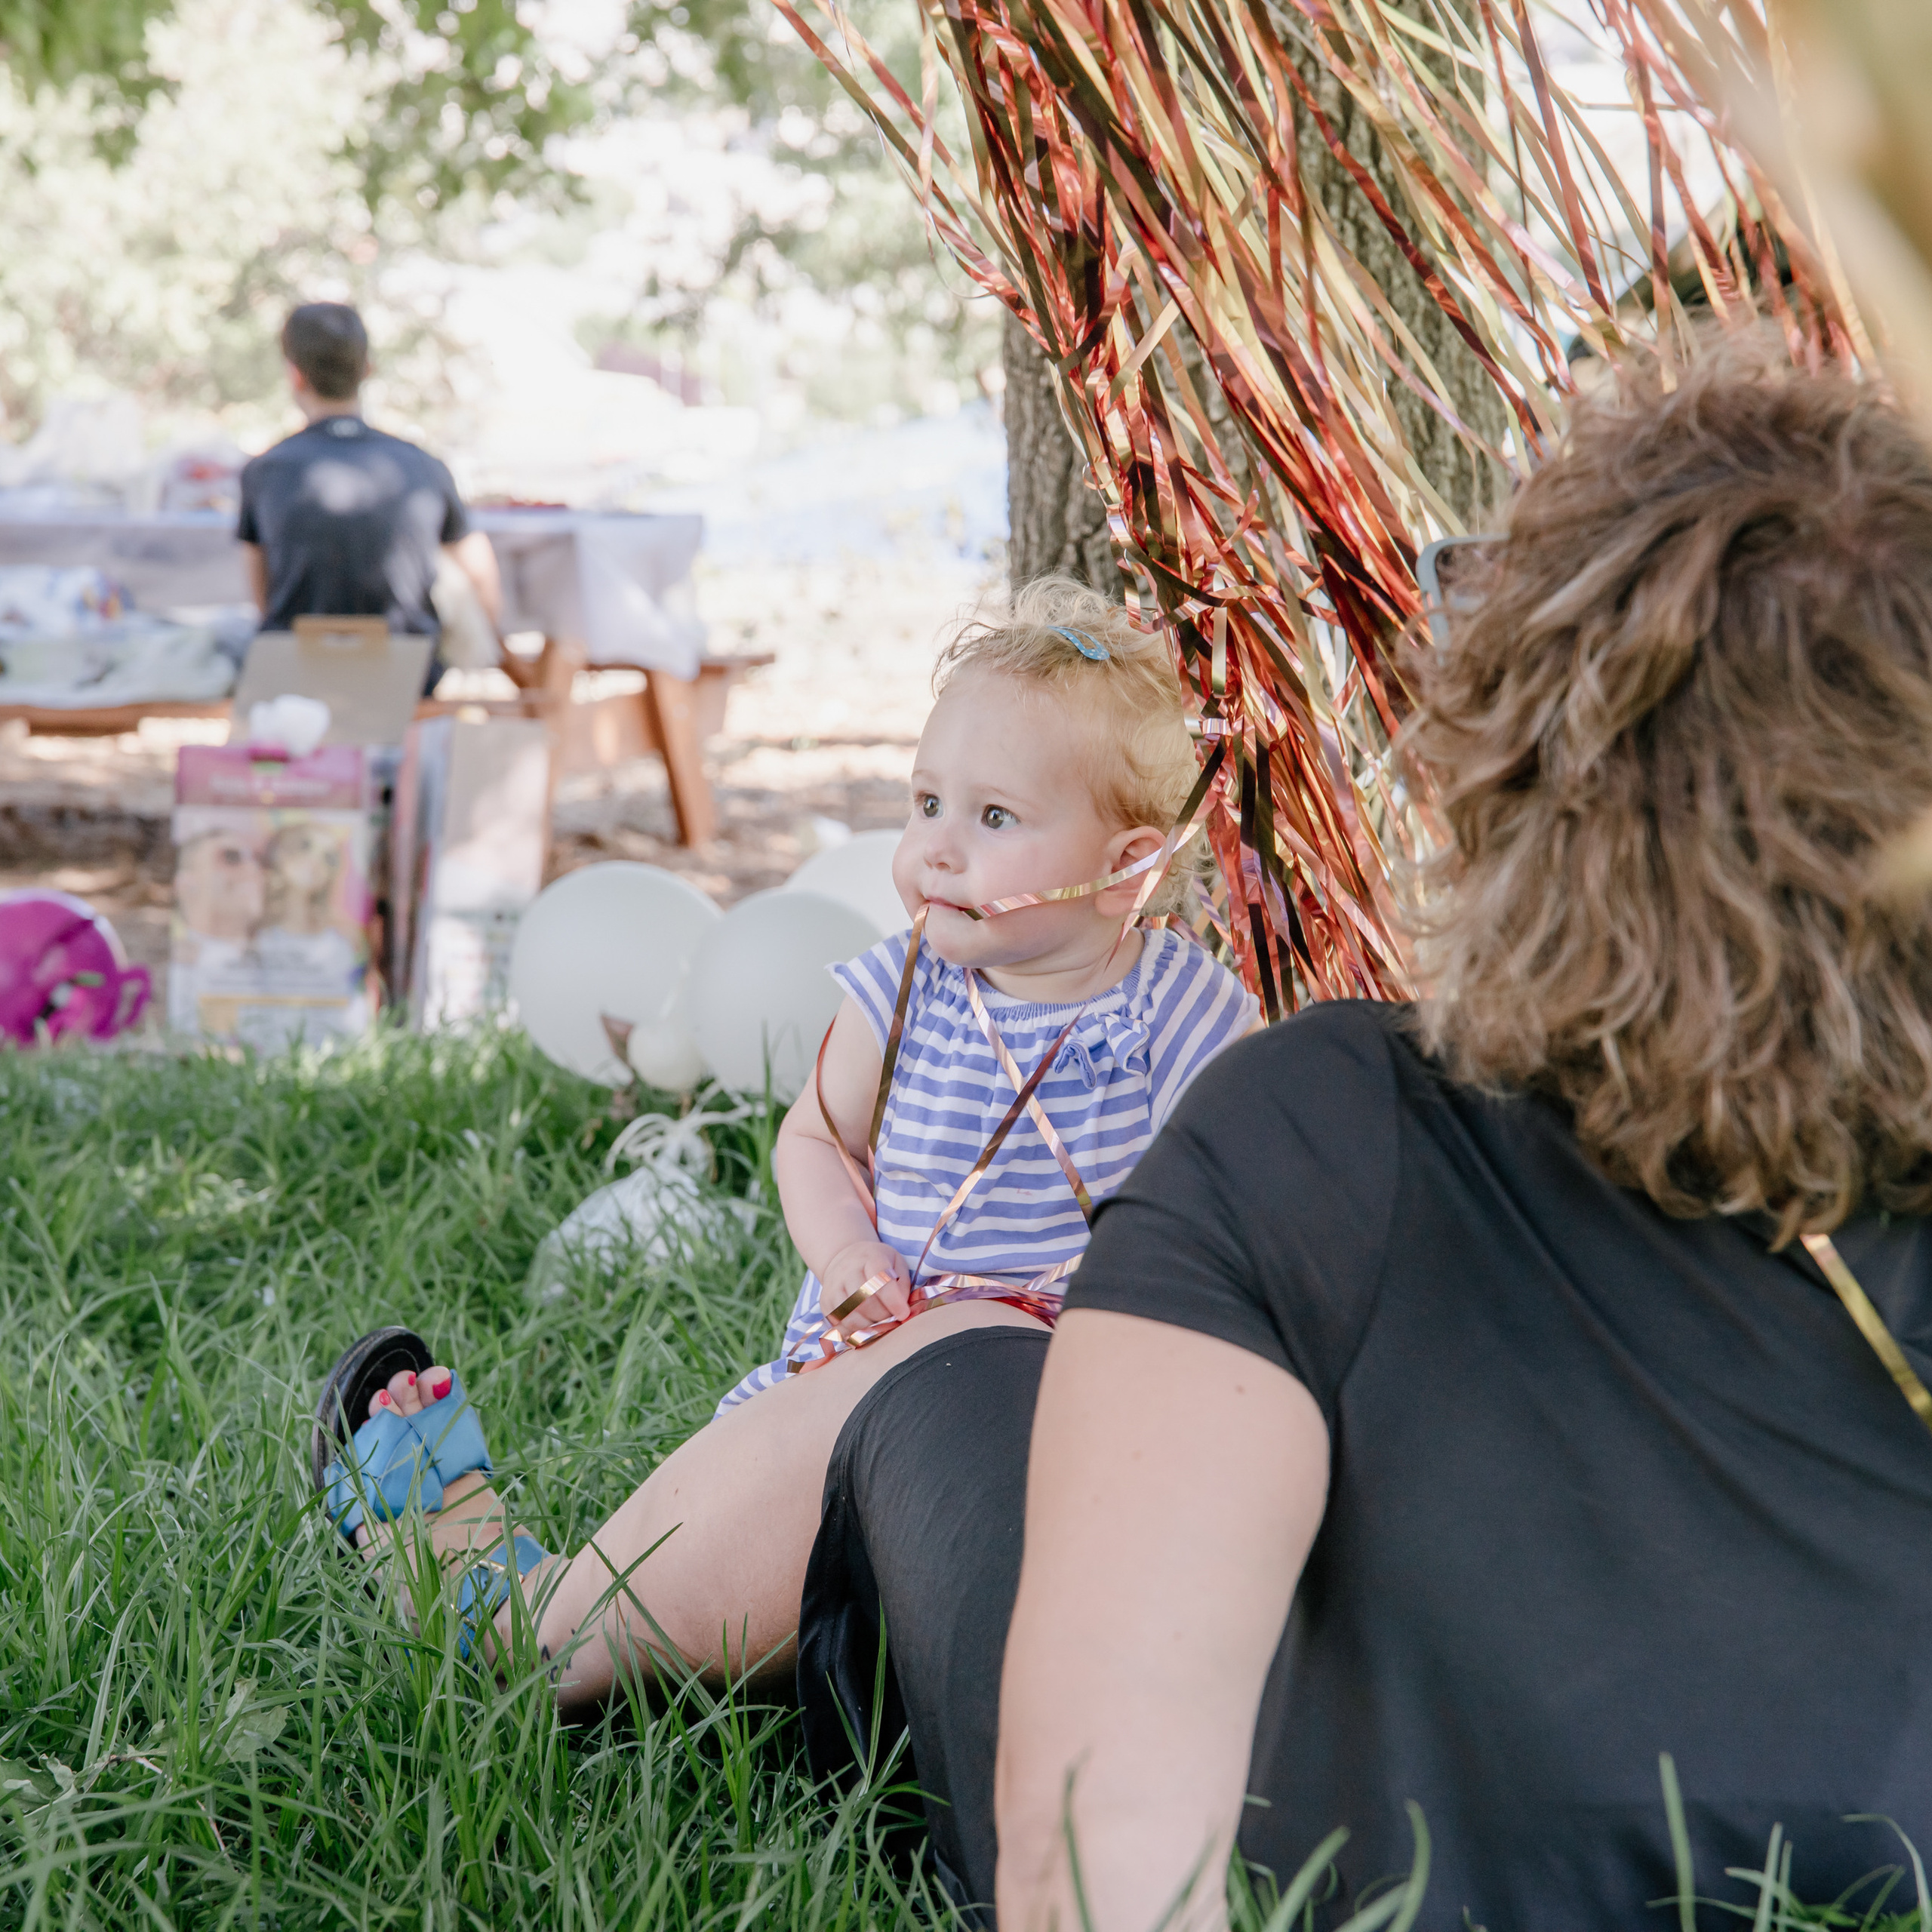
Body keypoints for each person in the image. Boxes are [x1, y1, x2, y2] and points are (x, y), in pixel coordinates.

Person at [798, 345, 1932, 1928]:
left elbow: (1095, 1863)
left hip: (1286, 1830)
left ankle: (516, 1608)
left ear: (1513, 762)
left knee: (953, 1377)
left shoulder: (1326, 1112)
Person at [307, 579, 1257, 1715]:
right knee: (818, 1473)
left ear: (1128, 866)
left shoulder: (1184, 1010)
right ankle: (526, 1617)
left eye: (993, 819)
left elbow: (1232, 1210)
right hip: (879, 1354)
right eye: (925, 803)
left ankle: (560, 1620)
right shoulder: (907, 988)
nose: (937, 850)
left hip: (1071, 1391)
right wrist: (850, 1253)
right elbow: (815, 1139)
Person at [236, 303, 501, 675]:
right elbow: (480, 573)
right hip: (408, 673)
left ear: (295, 376)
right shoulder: (425, 467)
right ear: (367, 371)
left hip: (298, 670)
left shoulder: (264, 471)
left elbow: (262, 593)